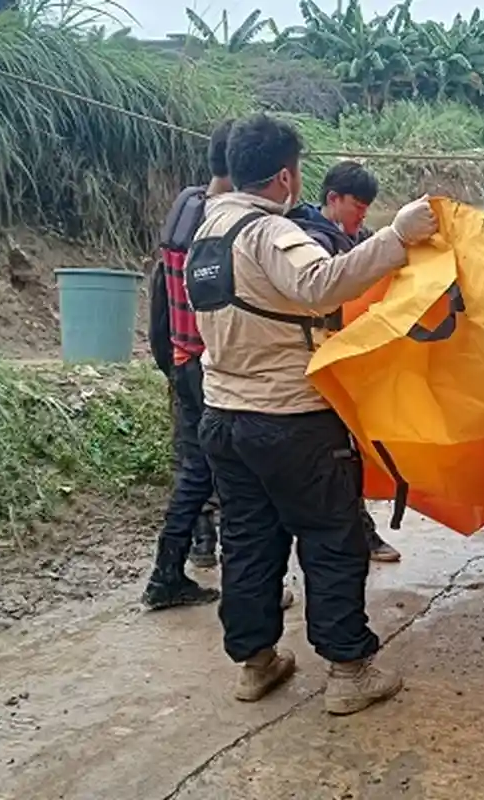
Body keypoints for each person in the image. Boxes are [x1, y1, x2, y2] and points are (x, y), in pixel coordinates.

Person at [190, 114, 437, 711]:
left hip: (223, 416)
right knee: (331, 537)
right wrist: (397, 237)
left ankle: (256, 662)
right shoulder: (268, 233)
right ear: (285, 175)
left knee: (247, 542)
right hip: (292, 419)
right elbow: (322, 283)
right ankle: (350, 671)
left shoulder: (207, 229)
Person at [141, 121, 295, 611]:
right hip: (216, 368)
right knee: (233, 482)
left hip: (184, 360)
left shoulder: (184, 209)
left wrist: (168, 358)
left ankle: (172, 568)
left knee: (198, 471)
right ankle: (239, 585)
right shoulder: (225, 225)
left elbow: (158, 298)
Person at [286, 161, 403, 564]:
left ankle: (357, 531)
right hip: (315, 372)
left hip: (351, 365)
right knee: (330, 461)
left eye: (368, 207)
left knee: (350, 453)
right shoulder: (307, 243)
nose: (363, 214)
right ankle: (352, 536)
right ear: (332, 199)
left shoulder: (356, 238)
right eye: (358, 205)